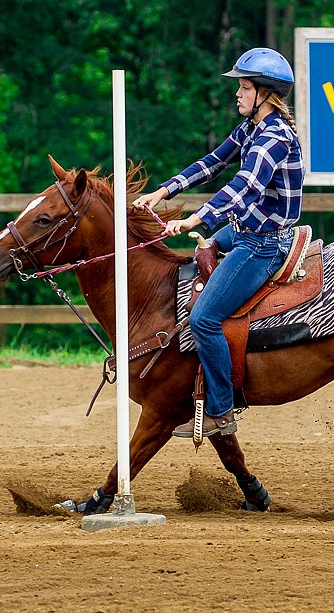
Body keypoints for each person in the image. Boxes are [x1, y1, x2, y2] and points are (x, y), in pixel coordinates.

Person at [132, 47, 305, 439]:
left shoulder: (274, 138)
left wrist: (198, 218)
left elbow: (244, 187)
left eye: (244, 88)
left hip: (263, 243)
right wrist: (163, 192)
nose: (238, 95)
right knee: (201, 254)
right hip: (247, 229)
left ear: (265, 93)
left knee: (203, 319)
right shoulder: (253, 129)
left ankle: (221, 409)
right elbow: (214, 161)